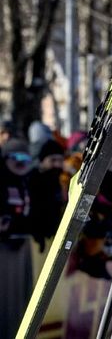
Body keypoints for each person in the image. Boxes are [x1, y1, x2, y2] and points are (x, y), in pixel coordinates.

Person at [1, 138, 35, 338]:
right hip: (4, 250)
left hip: (18, 249)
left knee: (16, 304)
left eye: (25, 157)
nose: (21, 162)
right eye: (15, 157)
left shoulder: (25, 181)